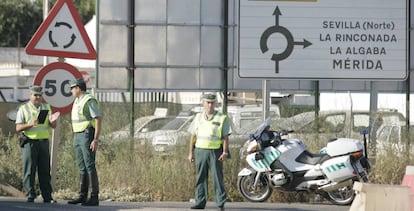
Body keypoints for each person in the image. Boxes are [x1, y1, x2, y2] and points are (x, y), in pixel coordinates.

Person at [15, 85, 60, 203]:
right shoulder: (23, 109)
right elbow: (18, 127)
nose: (38, 97)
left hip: (43, 142)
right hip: (30, 142)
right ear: (30, 95)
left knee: (45, 170)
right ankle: (30, 194)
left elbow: (52, 126)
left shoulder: (46, 107)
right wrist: (30, 124)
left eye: (40, 95)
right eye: (35, 95)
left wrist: (53, 122)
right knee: (29, 170)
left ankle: (47, 196)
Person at [187, 93, 232, 211]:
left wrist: (225, 152)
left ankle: (220, 202)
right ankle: (200, 201)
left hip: (215, 152)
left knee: (217, 177)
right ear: (203, 103)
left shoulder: (222, 118)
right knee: (200, 177)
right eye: (207, 102)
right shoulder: (198, 117)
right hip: (200, 151)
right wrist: (190, 153)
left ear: (215, 104)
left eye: (212, 103)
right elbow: (193, 136)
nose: (210, 105)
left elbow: (225, 137)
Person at [67, 78, 102, 206]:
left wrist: (95, 139)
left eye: (72, 88)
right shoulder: (77, 101)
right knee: (82, 165)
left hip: (87, 134)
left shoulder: (88, 100)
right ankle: (82, 195)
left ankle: (94, 197)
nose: (71, 90)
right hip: (78, 135)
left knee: (89, 165)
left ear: (78, 88)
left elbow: (97, 119)